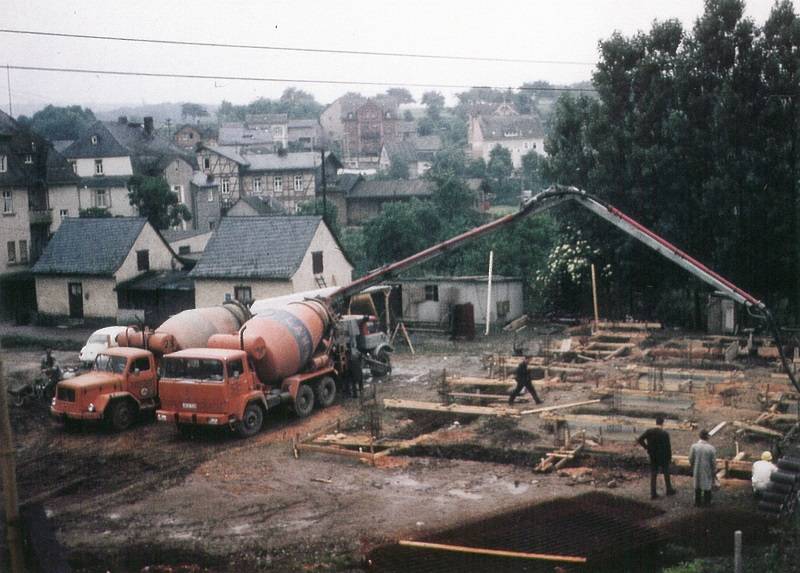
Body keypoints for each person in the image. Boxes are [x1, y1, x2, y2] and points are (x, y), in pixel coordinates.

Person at [637, 415, 676, 499]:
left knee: (654, 474)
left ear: (656, 422)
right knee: (666, 472)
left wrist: (647, 447)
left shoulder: (649, 431)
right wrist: (669, 457)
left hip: (653, 455)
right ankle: (669, 490)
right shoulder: (665, 434)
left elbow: (639, 439)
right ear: (662, 423)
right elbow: (668, 447)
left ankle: (653, 493)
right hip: (663, 456)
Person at [689, 429, 717, 507]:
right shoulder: (711, 448)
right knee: (707, 485)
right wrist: (714, 471)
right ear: (707, 437)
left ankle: (697, 502)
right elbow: (713, 462)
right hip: (707, 469)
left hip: (697, 468)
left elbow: (691, 458)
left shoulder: (694, 447)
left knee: (697, 485)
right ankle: (707, 502)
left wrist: (692, 466)